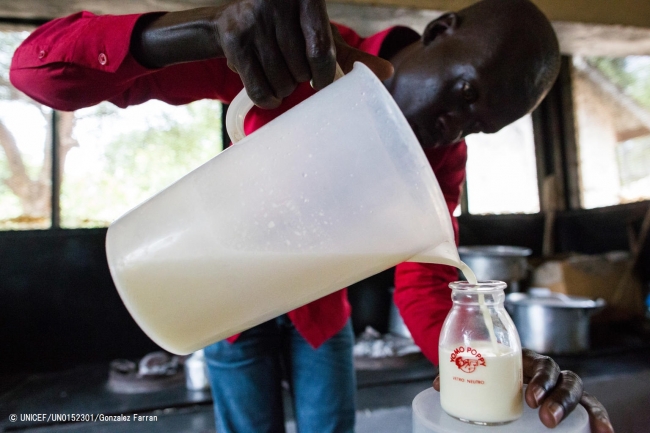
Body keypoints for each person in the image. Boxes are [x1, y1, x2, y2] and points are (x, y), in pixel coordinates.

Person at [10, 0, 614, 432]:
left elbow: (429, 280)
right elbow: (36, 72)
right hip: (220, 307)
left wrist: (481, 361)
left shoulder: (442, 154)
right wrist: (204, 29)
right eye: (464, 95)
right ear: (441, 29)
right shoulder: (299, 52)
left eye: (480, 127)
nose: (456, 128)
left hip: (323, 323)